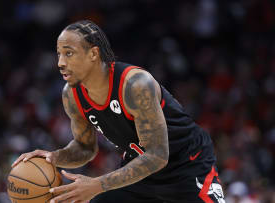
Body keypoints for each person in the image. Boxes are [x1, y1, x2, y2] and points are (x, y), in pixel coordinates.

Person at [12, 20, 225, 203]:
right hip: (139, 173)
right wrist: (54, 157)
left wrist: (98, 184)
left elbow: (158, 155)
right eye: (58, 54)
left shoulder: (135, 85)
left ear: (93, 53)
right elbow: (85, 147)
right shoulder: (72, 95)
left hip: (187, 167)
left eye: (69, 53)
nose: (60, 63)